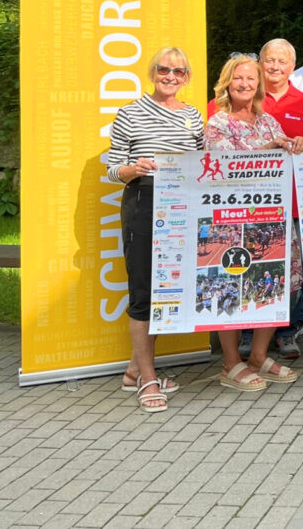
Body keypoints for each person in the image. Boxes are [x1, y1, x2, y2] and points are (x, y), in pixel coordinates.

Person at [106, 47, 204, 413]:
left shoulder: (194, 116)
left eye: (179, 72)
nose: (171, 76)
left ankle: (134, 369)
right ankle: (148, 379)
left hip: (183, 204)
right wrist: (133, 169)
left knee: (169, 287)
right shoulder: (129, 114)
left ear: (187, 77)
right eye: (164, 70)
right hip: (144, 202)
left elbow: (201, 161)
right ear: (152, 72)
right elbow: (112, 168)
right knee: (145, 290)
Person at [205, 54, 303, 391]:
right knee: (232, 287)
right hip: (232, 223)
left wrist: (297, 146)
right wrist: (267, 148)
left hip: (271, 220)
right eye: (238, 79)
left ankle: (258, 356)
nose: (245, 84)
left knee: (274, 283)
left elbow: (282, 158)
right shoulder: (217, 123)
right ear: (226, 84)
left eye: (251, 79)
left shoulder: (268, 121)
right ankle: (231, 363)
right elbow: (222, 168)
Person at [259, 39, 303, 359]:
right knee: (256, 268)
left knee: (296, 274)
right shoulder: (241, 97)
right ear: (260, 62)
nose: (275, 67)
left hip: (297, 201)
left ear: (292, 66)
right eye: (270, 60)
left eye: (282, 62)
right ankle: (249, 330)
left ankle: (289, 330)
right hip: (253, 206)